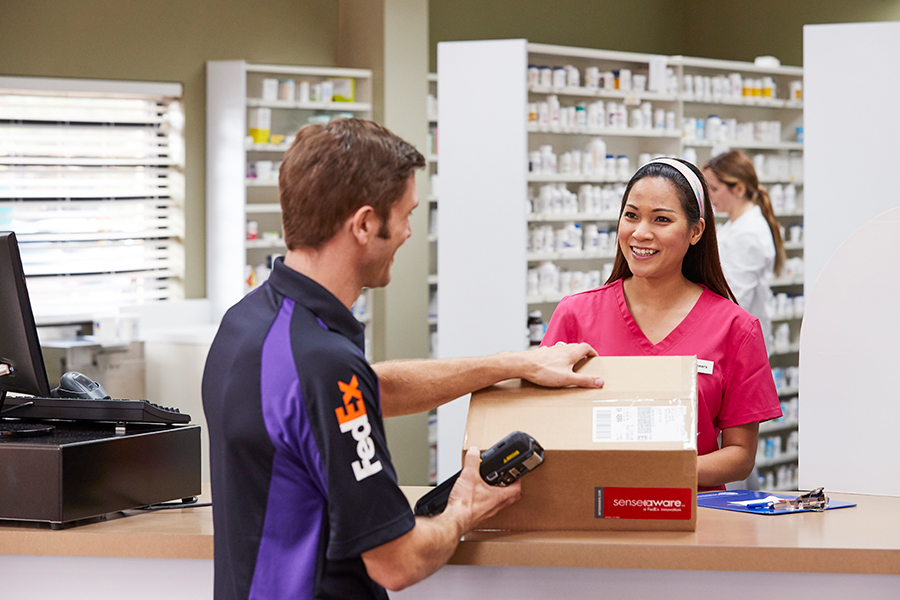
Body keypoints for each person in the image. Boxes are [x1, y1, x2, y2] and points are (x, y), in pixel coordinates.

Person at [201, 118, 601, 600]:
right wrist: (464, 510)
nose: (411, 231)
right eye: (407, 214)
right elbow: (398, 560)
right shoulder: (325, 365)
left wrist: (512, 364)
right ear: (366, 224)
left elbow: (364, 390)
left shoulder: (250, 323)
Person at [540, 157, 782, 491]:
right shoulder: (575, 315)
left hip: (696, 522)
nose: (640, 233)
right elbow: (543, 423)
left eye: (661, 219)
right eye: (631, 215)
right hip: (591, 514)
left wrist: (651, 473)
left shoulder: (736, 328)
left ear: (696, 231)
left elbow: (740, 455)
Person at [703, 150, 786, 354]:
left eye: (713, 188)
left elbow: (735, 300)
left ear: (738, 189)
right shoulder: (735, 225)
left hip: (739, 342)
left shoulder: (749, 233)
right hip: (730, 334)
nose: (709, 196)